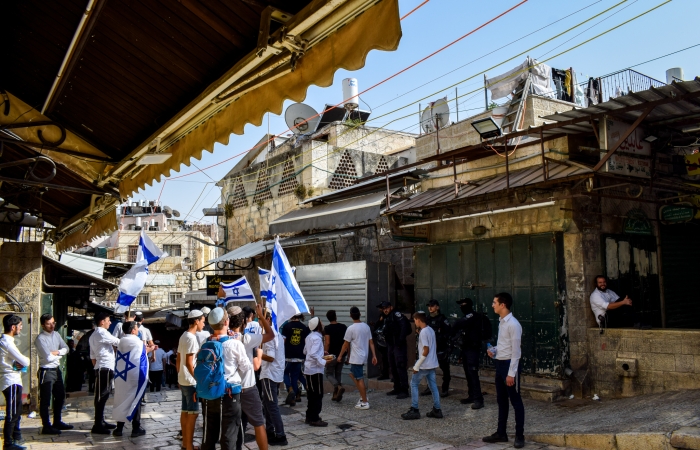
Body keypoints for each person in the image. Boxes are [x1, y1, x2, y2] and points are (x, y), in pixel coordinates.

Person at [200, 307, 248, 450]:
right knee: (229, 435)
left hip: (209, 394)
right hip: (229, 393)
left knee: (208, 435)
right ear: (227, 322)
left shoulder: (205, 342)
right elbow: (246, 367)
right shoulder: (235, 343)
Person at [482, 293, 525, 449]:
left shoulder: (513, 324)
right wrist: (494, 350)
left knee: (515, 401)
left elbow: (516, 351)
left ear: (503, 304)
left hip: (509, 366)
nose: (492, 305)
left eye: (495, 302)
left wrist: (511, 374)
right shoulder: (502, 322)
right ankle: (501, 433)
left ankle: (520, 436)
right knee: (501, 400)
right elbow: (504, 345)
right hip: (500, 364)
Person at [227, 304, 270, 450]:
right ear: (243, 322)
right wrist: (262, 317)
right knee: (258, 422)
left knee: (234, 425)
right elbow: (270, 335)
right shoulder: (246, 338)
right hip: (247, 387)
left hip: (230, 390)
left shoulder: (222, 339)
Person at [34, 313, 73, 434]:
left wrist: (56, 352)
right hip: (46, 370)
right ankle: (46, 425)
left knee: (60, 396)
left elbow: (66, 348)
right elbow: (47, 357)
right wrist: (58, 354)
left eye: (53, 323)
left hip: (56, 370)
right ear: (43, 325)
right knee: (45, 399)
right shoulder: (40, 339)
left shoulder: (56, 335)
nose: (52, 325)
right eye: (48, 323)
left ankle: (57, 421)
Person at [113, 320, 151, 437]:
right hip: (134, 375)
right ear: (133, 330)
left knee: (120, 399)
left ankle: (119, 428)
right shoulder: (138, 342)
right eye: (136, 328)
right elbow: (142, 358)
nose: (138, 330)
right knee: (136, 399)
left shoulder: (120, 342)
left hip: (121, 375)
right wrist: (150, 349)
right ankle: (136, 428)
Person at [401, 312, 443, 420]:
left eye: (415, 320)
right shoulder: (430, 330)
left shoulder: (424, 332)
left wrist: (417, 365)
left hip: (424, 365)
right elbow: (434, 346)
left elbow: (426, 350)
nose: (414, 322)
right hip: (432, 364)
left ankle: (414, 409)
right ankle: (437, 409)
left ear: (418, 320)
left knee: (414, 384)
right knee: (433, 387)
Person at [337, 307, 377, 410]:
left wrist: (340, 355)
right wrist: (374, 355)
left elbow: (345, 344)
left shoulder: (351, 328)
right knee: (352, 374)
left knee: (359, 378)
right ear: (359, 314)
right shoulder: (366, 327)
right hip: (363, 356)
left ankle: (365, 401)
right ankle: (362, 396)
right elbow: (371, 342)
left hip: (356, 357)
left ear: (350, 315)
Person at [0, 314, 30, 450]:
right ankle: (8, 443)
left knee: (16, 411)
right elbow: (24, 361)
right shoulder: (6, 342)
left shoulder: (8, 341)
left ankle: (15, 436)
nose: (21, 328)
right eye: (20, 326)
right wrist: (23, 361)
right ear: (13, 327)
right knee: (12, 413)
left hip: (14, 379)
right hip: (10, 380)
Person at [89, 311, 121, 434]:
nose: (110, 322)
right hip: (105, 367)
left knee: (103, 395)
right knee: (102, 395)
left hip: (101, 367)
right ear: (102, 322)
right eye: (108, 320)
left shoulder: (94, 334)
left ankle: (100, 421)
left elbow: (92, 357)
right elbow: (117, 341)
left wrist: (97, 366)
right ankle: (98, 424)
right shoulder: (101, 332)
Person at [177, 309, 205, 450]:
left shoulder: (183, 336)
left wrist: (179, 375)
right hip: (190, 381)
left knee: (185, 411)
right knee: (193, 414)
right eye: (203, 321)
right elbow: (189, 362)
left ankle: (185, 443)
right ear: (196, 321)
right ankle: (189, 445)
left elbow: (178, 358)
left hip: (183, 378)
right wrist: (198, 379)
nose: (204, 324)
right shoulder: (192, 338)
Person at [260, 311, 287, 446]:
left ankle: (280, 435)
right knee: (267, 404)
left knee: (272, 405)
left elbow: (270, 357)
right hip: (274, 374)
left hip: (269, 374)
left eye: (261, 319)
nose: (260, 322)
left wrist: (257, 353)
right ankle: (270, 431)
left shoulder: (271, 337)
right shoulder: (276, 334)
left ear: (268, 319)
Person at [452, 298, 485, 409]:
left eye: (463, 304)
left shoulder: (472, 316)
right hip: (466, 349)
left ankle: (478, 399)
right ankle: (472, 395)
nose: (461, 306)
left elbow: (457, 324)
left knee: (473, 374)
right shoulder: (467, 317)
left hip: (473, 349)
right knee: (468, 373)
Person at [376, 301, 411, 399]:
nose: (385, 310)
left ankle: (404, 390)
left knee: (400, 366)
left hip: (398, 345)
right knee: (393, 367)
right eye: (383, 308)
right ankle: (397, 388)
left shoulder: (396, 314)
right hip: (391, 345)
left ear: (391, 307)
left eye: (386, 308)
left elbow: (404, 326)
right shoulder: (387, 317)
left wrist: (400, 340)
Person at [422, 299, 452, 398]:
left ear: (437, 307)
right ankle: (429, 387)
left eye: (432, 306)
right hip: (430, 349)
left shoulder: (442, 319)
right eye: (429, 306)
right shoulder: (427, 319)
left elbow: (448, 333)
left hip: (441, 348)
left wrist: (439, 338)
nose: (430, 307)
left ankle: (445, 389)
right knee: (428, 368)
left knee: (445, 369)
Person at [281, 314, 309, 406]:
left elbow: (283, 341)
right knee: (295, 376)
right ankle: (293, 398)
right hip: (299, 355)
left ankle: (290, 389)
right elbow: (305, 342)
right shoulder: (303, 327)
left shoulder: (286, 326)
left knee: (284, 373)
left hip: (288, 354)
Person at [303, 317, 327, 427]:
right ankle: (314, 418)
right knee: (317, 394)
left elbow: (305, 351)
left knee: (312, 393)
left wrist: (321, 352)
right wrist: (322, 360)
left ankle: (310, 416)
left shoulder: (309, 337)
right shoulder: (317, 338)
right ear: (318, 326)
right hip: (315, 369)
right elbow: (312, 353)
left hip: (309, 368)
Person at [323, 310, 347, 402]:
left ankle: (338, 386)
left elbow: (327, 343)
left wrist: (325, 353)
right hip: (342, 353)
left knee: (329, 373)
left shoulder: (327, 328)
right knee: (338, 373)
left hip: (332, 355)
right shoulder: (343, 327)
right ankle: (335, 394)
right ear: (335, 317)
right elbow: (346, 342)